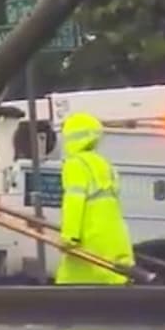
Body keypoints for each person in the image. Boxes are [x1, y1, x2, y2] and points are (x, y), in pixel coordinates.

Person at [55, 112, 134, 285]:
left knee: (73, 282)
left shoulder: (75, 164)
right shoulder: (104, 163)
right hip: (113, 234)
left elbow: (74, 201)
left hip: (89, 234)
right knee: (111, 276)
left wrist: (70, 236)